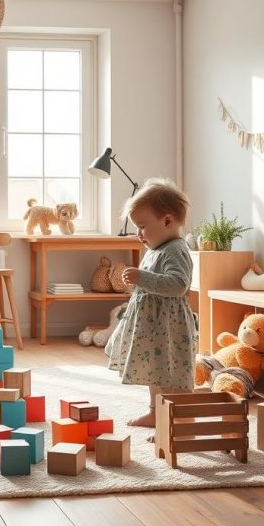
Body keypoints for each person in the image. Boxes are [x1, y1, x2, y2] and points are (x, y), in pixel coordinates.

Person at [105, 178, 196, 429]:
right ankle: (155, 413)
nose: (138, 234)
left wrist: (141, 277)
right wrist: (137, 283)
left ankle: (177, 421)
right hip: (153, 328)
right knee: (155, 373)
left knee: (172, 376)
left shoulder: (175, 249)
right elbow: (154, 285)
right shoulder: (156, 249)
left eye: (142, 226)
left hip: (169, 329)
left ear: (167, 221)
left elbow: (178, 284)